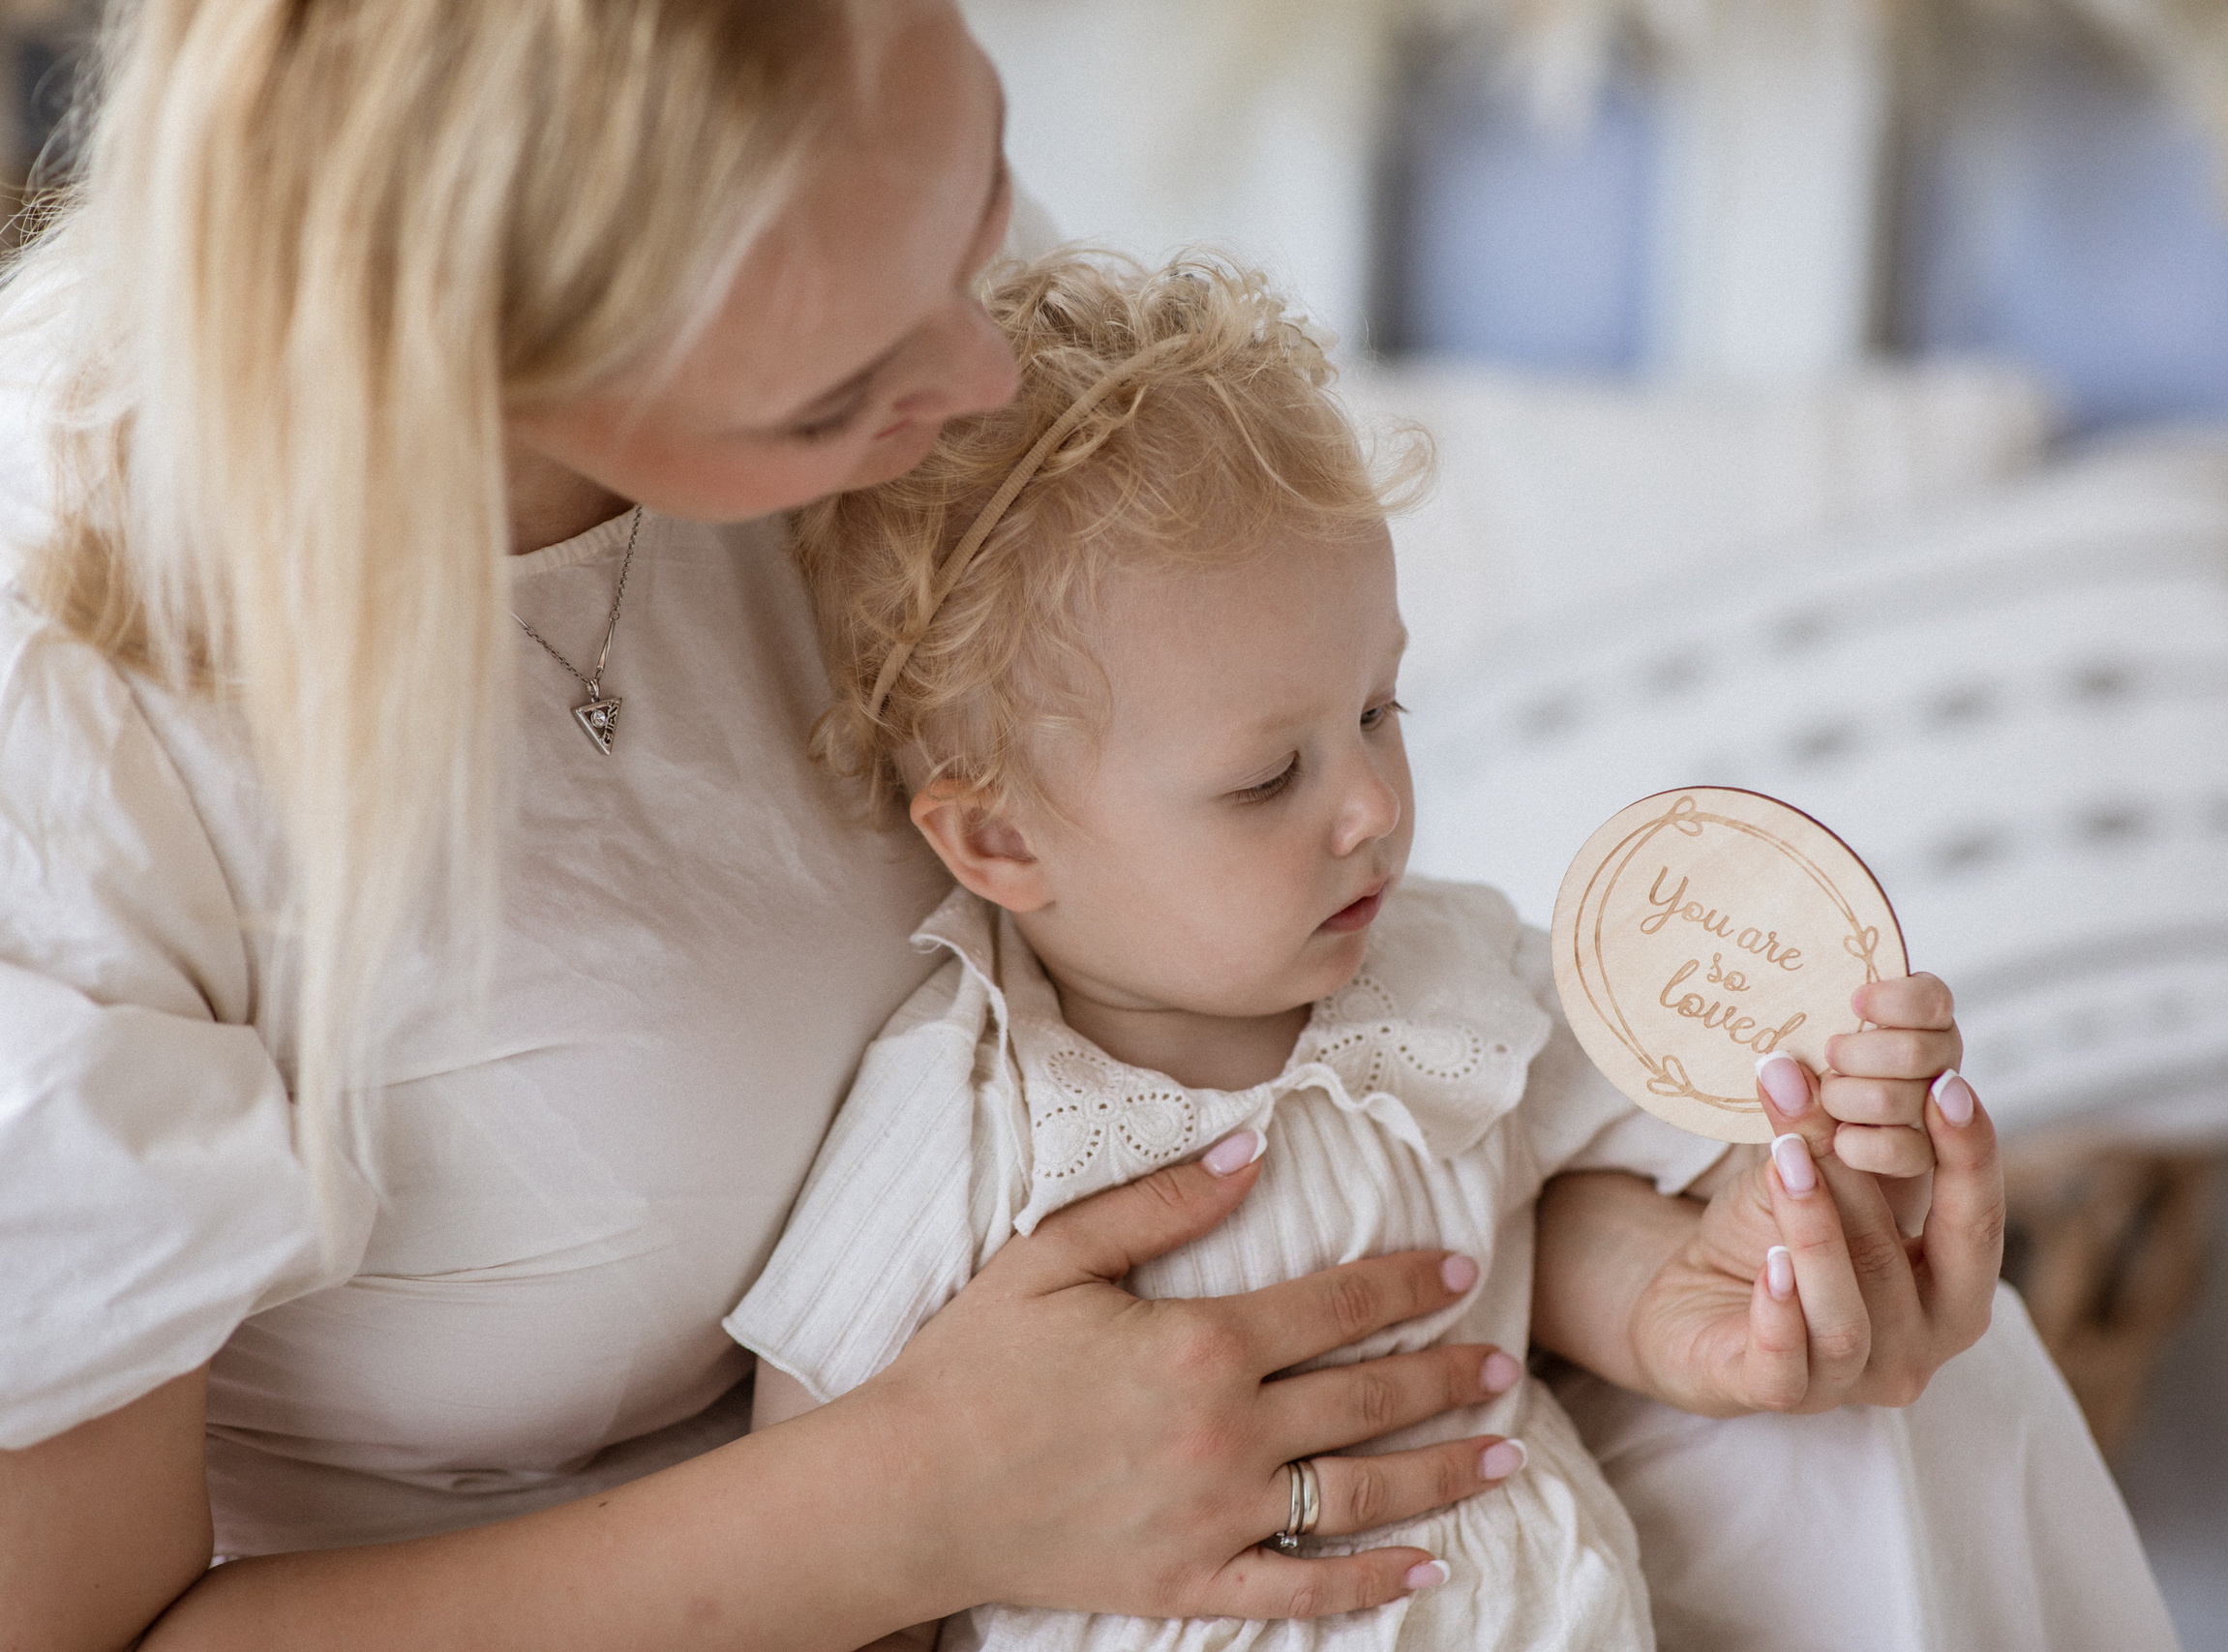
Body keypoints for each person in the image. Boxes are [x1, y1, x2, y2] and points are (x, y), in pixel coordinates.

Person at [0, 3, 2144, 1650]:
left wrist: (1704, 1285)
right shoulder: (69, 725)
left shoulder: (880, 259)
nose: (985, 379)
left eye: (975, 211)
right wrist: (918, 1507)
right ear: (488, 348)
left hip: (1227, 1449)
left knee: (1894, 1404)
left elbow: (1408, 1157)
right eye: (838, 393)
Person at [723, 248, 2007, 1652]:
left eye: (1381, 711)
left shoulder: (1457, 981)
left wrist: (1815, 1174)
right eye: (1268, 778)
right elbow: (832, 1541)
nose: (1377, 807)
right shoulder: (964, 1120)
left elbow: (1576, 1215)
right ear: (1000, 842)